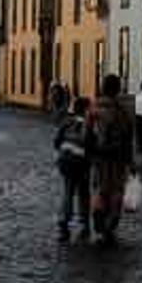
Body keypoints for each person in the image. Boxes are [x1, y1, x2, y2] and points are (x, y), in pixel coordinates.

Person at [88, 74, 134, 246]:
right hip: (118, 156)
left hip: (99, 156)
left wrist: (89, 152)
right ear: (118, 89)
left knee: (99, 187)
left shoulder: (93, 108)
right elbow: (128, 137)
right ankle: (110, 224)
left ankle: (98, 219)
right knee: (116, 189)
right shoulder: (123, 110)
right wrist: (130, 160)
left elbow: (87, 134)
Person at [54, 96, 93, 242]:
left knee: (68, 193)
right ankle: (85, 224)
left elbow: (57, 141)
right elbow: (92, 145)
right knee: (84, 193)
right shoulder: (88, 125)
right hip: (82, 164)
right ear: (86, 110)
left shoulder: (67, 122)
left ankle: (64, 226)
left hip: (66, 162)